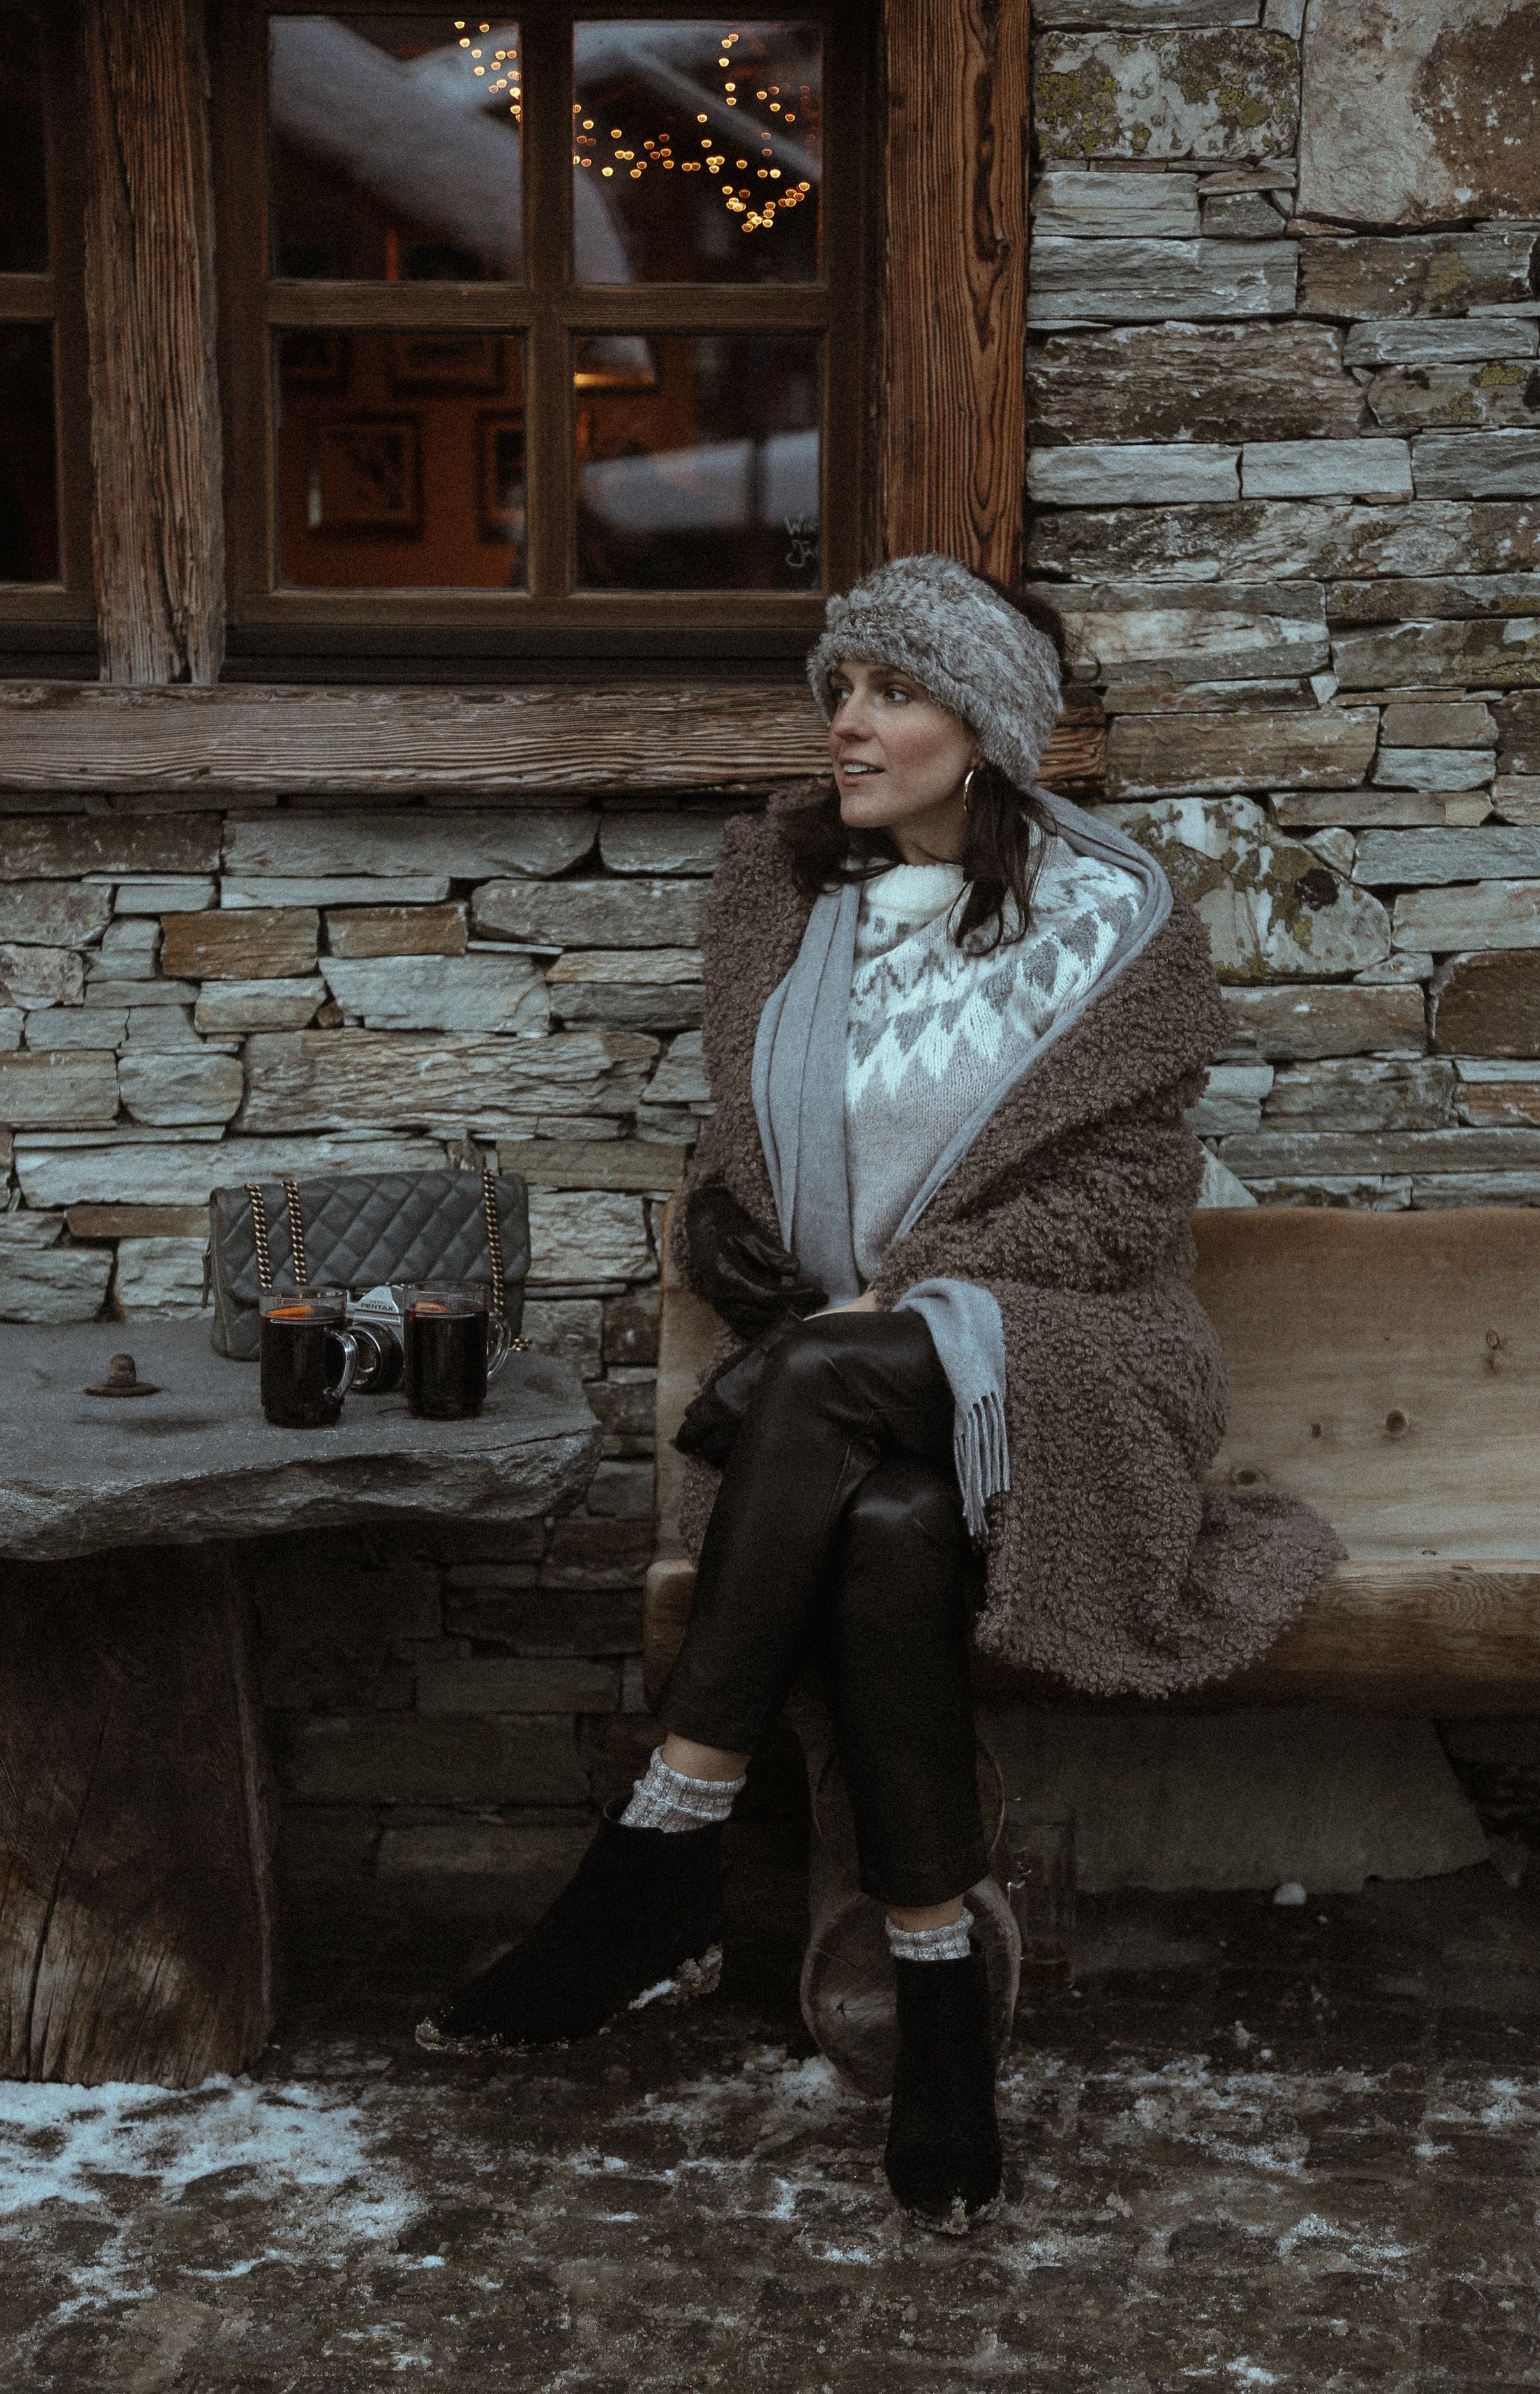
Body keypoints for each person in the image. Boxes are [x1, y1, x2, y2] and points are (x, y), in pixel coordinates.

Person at [417, 555, 1340, 2232]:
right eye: (839, 687)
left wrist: (896, 1303)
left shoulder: (1114, 924)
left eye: (892, 693)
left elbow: (1126, 1210)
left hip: (1068, 1371)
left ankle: (662, 1843)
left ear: (981, 729)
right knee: (892, 1523)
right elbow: (736, 1158)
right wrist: (734, 1237)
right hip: (846, 1410)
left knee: (851, 1374)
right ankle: (938, 2024)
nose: (849, 722)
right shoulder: (787, 898)